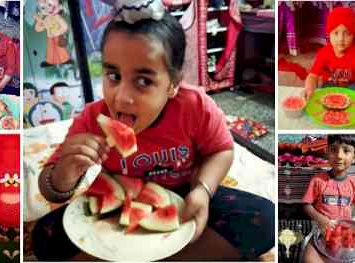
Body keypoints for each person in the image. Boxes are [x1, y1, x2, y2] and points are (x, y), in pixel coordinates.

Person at [32, 2, 274, 260]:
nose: (122, 97)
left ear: (173, 84)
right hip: (119, 204)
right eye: (113, 75)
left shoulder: (195, 107)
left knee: (265, 218)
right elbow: (50, 188)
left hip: (185, 195)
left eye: (144, 81)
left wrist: (203, 190)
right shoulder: (93, 119)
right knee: (45, 236)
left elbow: (221, 150)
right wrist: (64, 176)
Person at [302, 135, 355, 263]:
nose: (339, 156)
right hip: (322, 232)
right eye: (334, 150)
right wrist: (321, 219)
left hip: (346, 234)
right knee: (308, 259)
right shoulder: (318, 180)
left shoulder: (354, 183)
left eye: (346, 151)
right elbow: (306, 205)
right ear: (327, 152)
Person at [303, 7, 355, 104]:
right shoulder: (323, 52)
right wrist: (309, 89)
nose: (341, 38)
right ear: (329, 34)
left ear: (353, 35)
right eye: (336, 33)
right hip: (329, 85)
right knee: (319, 101)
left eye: (347, 33)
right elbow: (312, 76)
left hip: (351, 86)